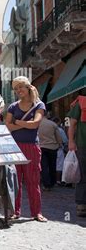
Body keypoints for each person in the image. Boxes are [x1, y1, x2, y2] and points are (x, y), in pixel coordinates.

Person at [5, 76, 47, 222]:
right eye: (15, 89)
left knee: (33, 181)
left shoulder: (39, 105)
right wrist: (24, 123)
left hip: (32, 147)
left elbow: (35, 124)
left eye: (20, 87)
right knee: (15, 181)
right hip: (15, 147)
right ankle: (15, 212)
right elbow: (7, 126)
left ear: (28, 87)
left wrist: (16, 122)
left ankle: (37, 212)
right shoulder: (13, 106)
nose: (18, 91)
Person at [67, 88, 86, 217]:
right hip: (82, 144)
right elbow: (72, 124)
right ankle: (81, 204)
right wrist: (71, 141)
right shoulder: (81, 102)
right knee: (83, 175)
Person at [38, 115, 63, 190]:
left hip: (41, 146)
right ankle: (52, 182)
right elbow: (58, 137)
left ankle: (46, 184)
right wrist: (59, 144)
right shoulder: (52, 124)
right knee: (52, 165)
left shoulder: (37, 124)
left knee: (44, 166)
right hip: (52, 147)